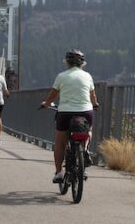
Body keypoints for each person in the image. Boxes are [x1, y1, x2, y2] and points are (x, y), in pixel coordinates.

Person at [40, 49, 99, 184]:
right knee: (88, 130)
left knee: (60, 142)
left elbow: (53, 95)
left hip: (65, 113)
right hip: (85, 112)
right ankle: (84, 149)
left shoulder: (61, 76)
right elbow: (93, 96)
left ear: (66, 62)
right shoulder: (88, 76)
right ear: (83, 63)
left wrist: (46, 103)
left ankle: (59, 172)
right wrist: (95, 104)